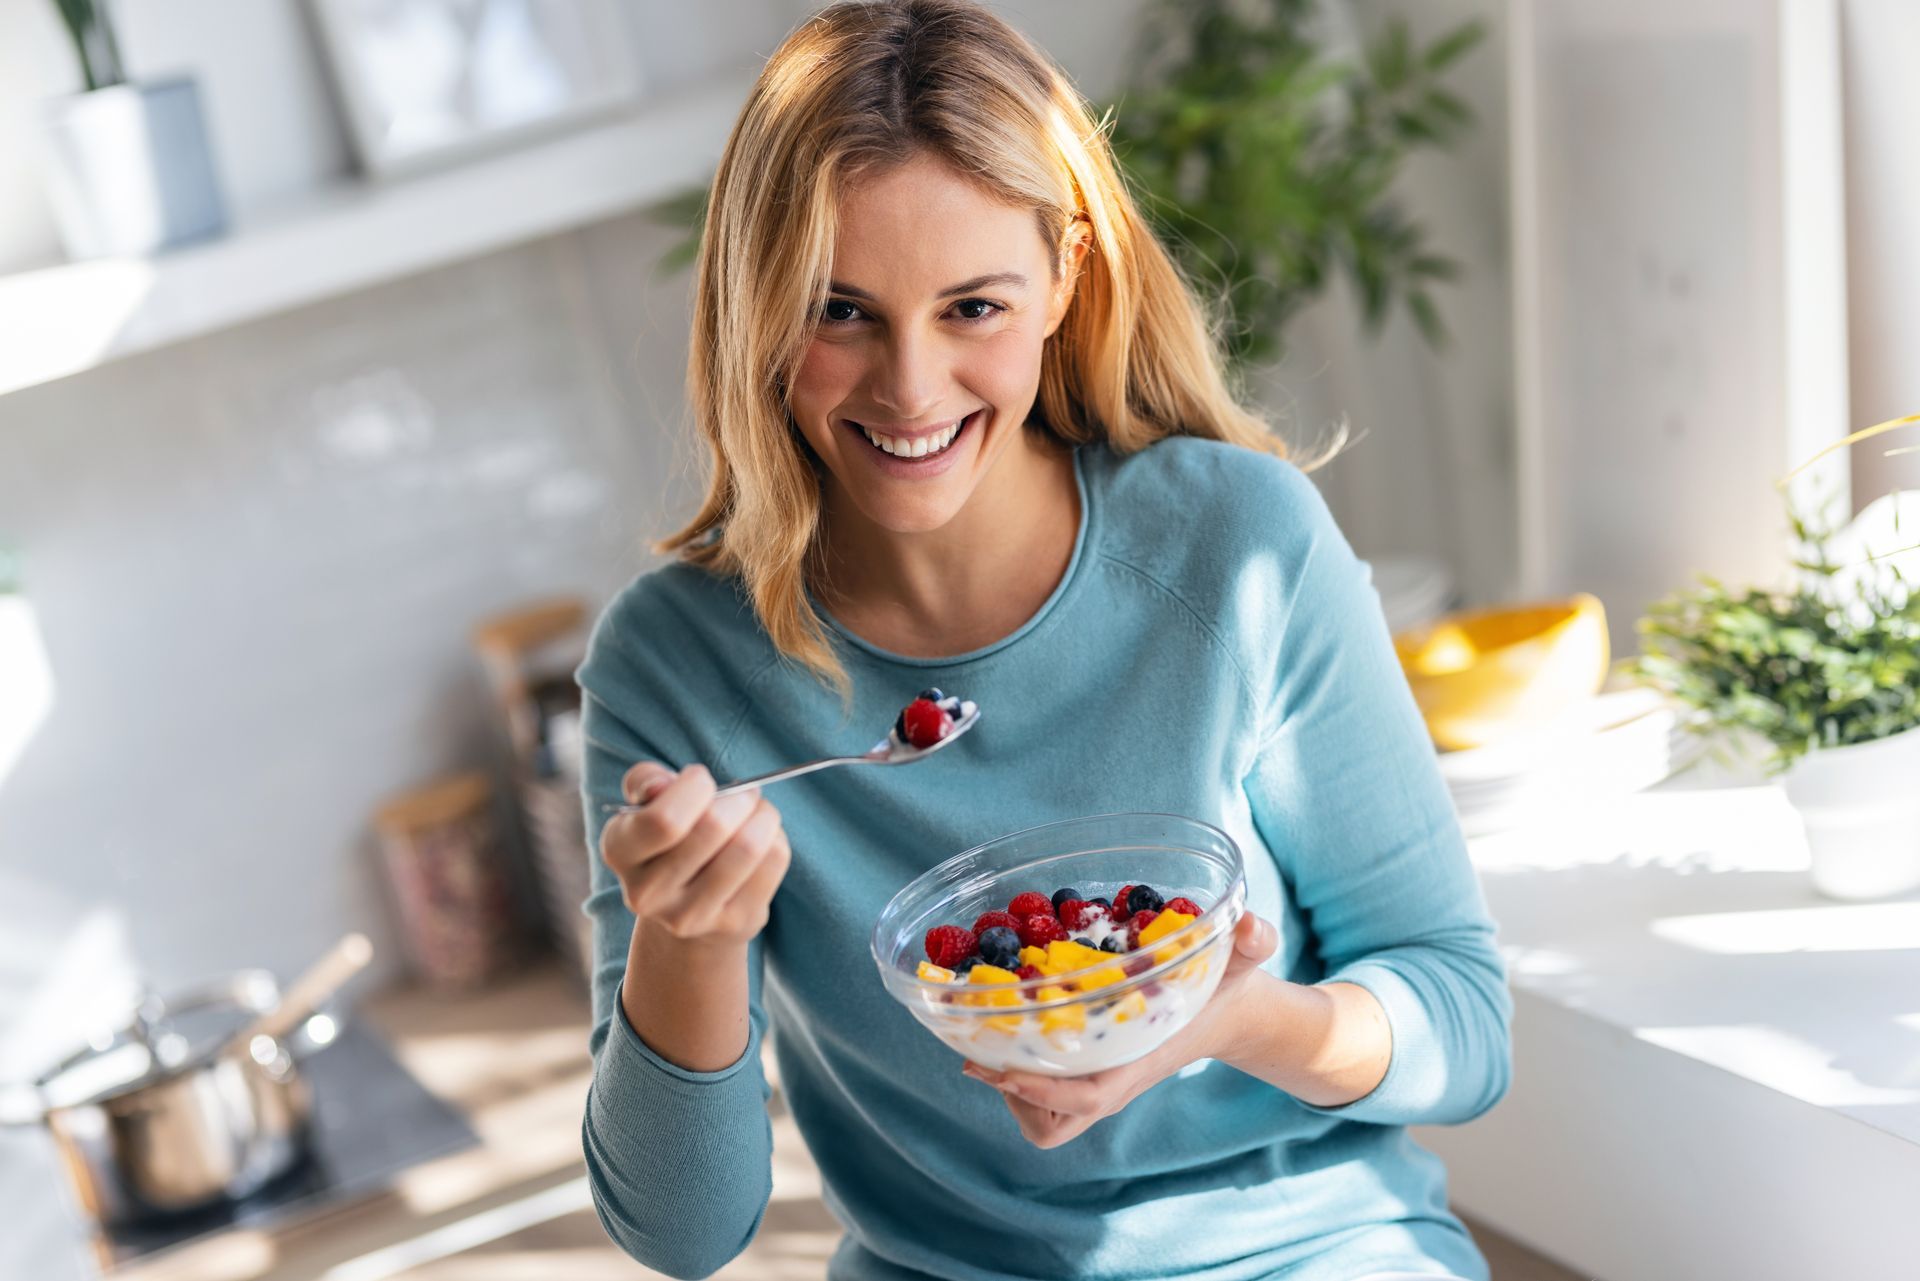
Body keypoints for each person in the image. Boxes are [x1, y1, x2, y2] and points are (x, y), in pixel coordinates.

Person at [575, 3, 1511, 1278]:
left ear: (1066, 272)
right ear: (752, 306)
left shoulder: (1235, 550)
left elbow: (1463, 1025)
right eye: (839, 312)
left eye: (973, 307)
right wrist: (688, 939)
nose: (911, 388)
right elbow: (681, 1237)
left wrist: (1230, 1022)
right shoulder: (675, 665)